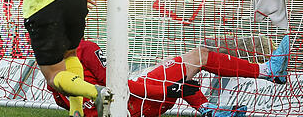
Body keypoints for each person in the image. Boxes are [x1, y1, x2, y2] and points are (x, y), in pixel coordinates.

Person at [48, 35, 290, 117]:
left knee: (178, 67)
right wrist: (167, 90)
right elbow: (122, 88)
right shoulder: (85, 48)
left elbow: (70, 102)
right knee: (199, 57)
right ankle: (268, 71)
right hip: (138, 104)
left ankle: (208, 110)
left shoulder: (51, 70)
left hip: (127, 108)